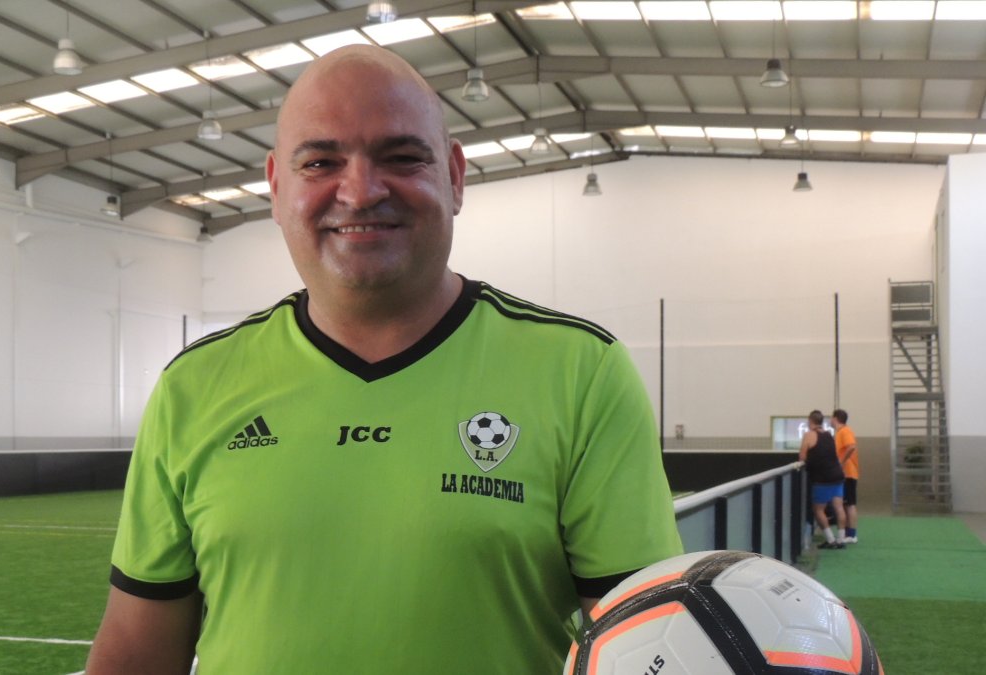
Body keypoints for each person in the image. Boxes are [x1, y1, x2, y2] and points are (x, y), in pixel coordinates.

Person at [85, 45, 682, 675]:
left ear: (454, 177)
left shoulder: (580, 372)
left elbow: (646, 650)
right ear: (276, 186)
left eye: (401, 157)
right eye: (321, 161)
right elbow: (136, 646)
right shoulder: (195, 386)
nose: (361, 191)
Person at [799, 409, 847, 549]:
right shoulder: (829, 435)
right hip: (837, 476)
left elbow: (802, 457)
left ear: (810, 421)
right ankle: (841, 539)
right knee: (839, 507)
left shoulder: (809, 435)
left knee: (818, 509)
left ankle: (831, 540)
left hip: (822, 479)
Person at [831, 408, 860, 543]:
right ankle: (848, 533)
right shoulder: (839, 433)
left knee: (850, 504)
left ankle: (852, 535)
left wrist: (841, 463)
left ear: (835, 418)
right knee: (845, 504)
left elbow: (851, 446)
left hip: (848, 473)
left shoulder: (845, 431)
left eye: (831, 418)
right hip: (845, 473)